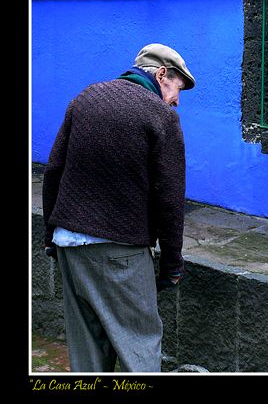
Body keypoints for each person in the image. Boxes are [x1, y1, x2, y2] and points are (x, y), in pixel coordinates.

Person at [42, 43, 196, 373]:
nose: (177, 101)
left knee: (87, 356)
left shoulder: (85, 98)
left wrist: (49, 237)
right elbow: (170, 201)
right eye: (177, 89)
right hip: (119, 252)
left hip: (68, 244)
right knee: (138, 348)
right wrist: (171, 266)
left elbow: (54, 169)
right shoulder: (161, 117)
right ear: (161, 74)